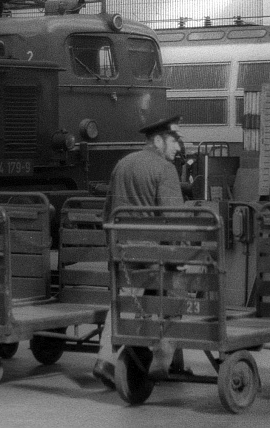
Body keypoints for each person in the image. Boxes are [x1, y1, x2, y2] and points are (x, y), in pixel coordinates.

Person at [93, 114, 185, 389]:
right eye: (174, 141)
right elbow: (176, 222)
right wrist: (180, 258)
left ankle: (105, 361)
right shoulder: (165, 170)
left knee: (121, 301)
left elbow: (108, 213)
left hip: (122, 253)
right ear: (158, 140)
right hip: (151, 256)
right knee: (179, 286)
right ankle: (162, 361)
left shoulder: (122, 164)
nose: (178, 148)